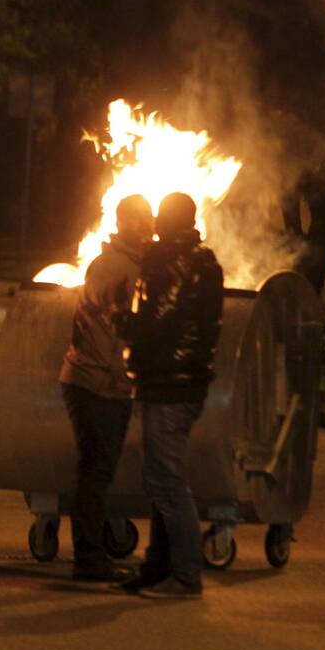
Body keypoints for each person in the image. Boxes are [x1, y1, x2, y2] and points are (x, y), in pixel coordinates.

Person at [118, 192, 223, 599]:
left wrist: (122, 320)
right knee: (160, 480)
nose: (155, 221)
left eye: (161, 215)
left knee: (168, 482)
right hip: (182, 382)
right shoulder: (203, 260)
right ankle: (157, 567)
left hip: (168, 383)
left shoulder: (173, 260)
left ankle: (185, 575)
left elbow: (160, 317)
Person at [59, 195, 153, 582]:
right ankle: (90, 559)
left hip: (98, 381)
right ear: (122, 222)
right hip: (98, 383)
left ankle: (92, 553)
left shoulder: (124, 264)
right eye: (138, 222)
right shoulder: (117, 268)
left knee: (94, 470)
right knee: (96, 472)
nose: (146, 230)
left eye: (148, 222)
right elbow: (116, 320)